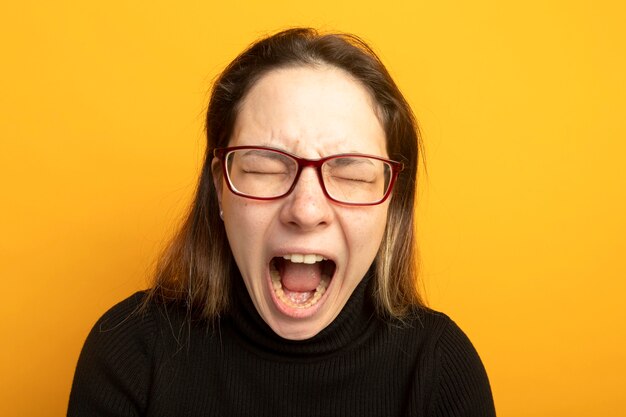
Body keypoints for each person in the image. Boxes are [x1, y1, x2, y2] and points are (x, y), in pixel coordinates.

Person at [68, 28, 496, 416]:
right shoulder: (130, 353)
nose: (306, 210)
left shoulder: (441, 369)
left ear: (392, 202)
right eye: (265, 168)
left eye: (351, 174)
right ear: (221, 186)